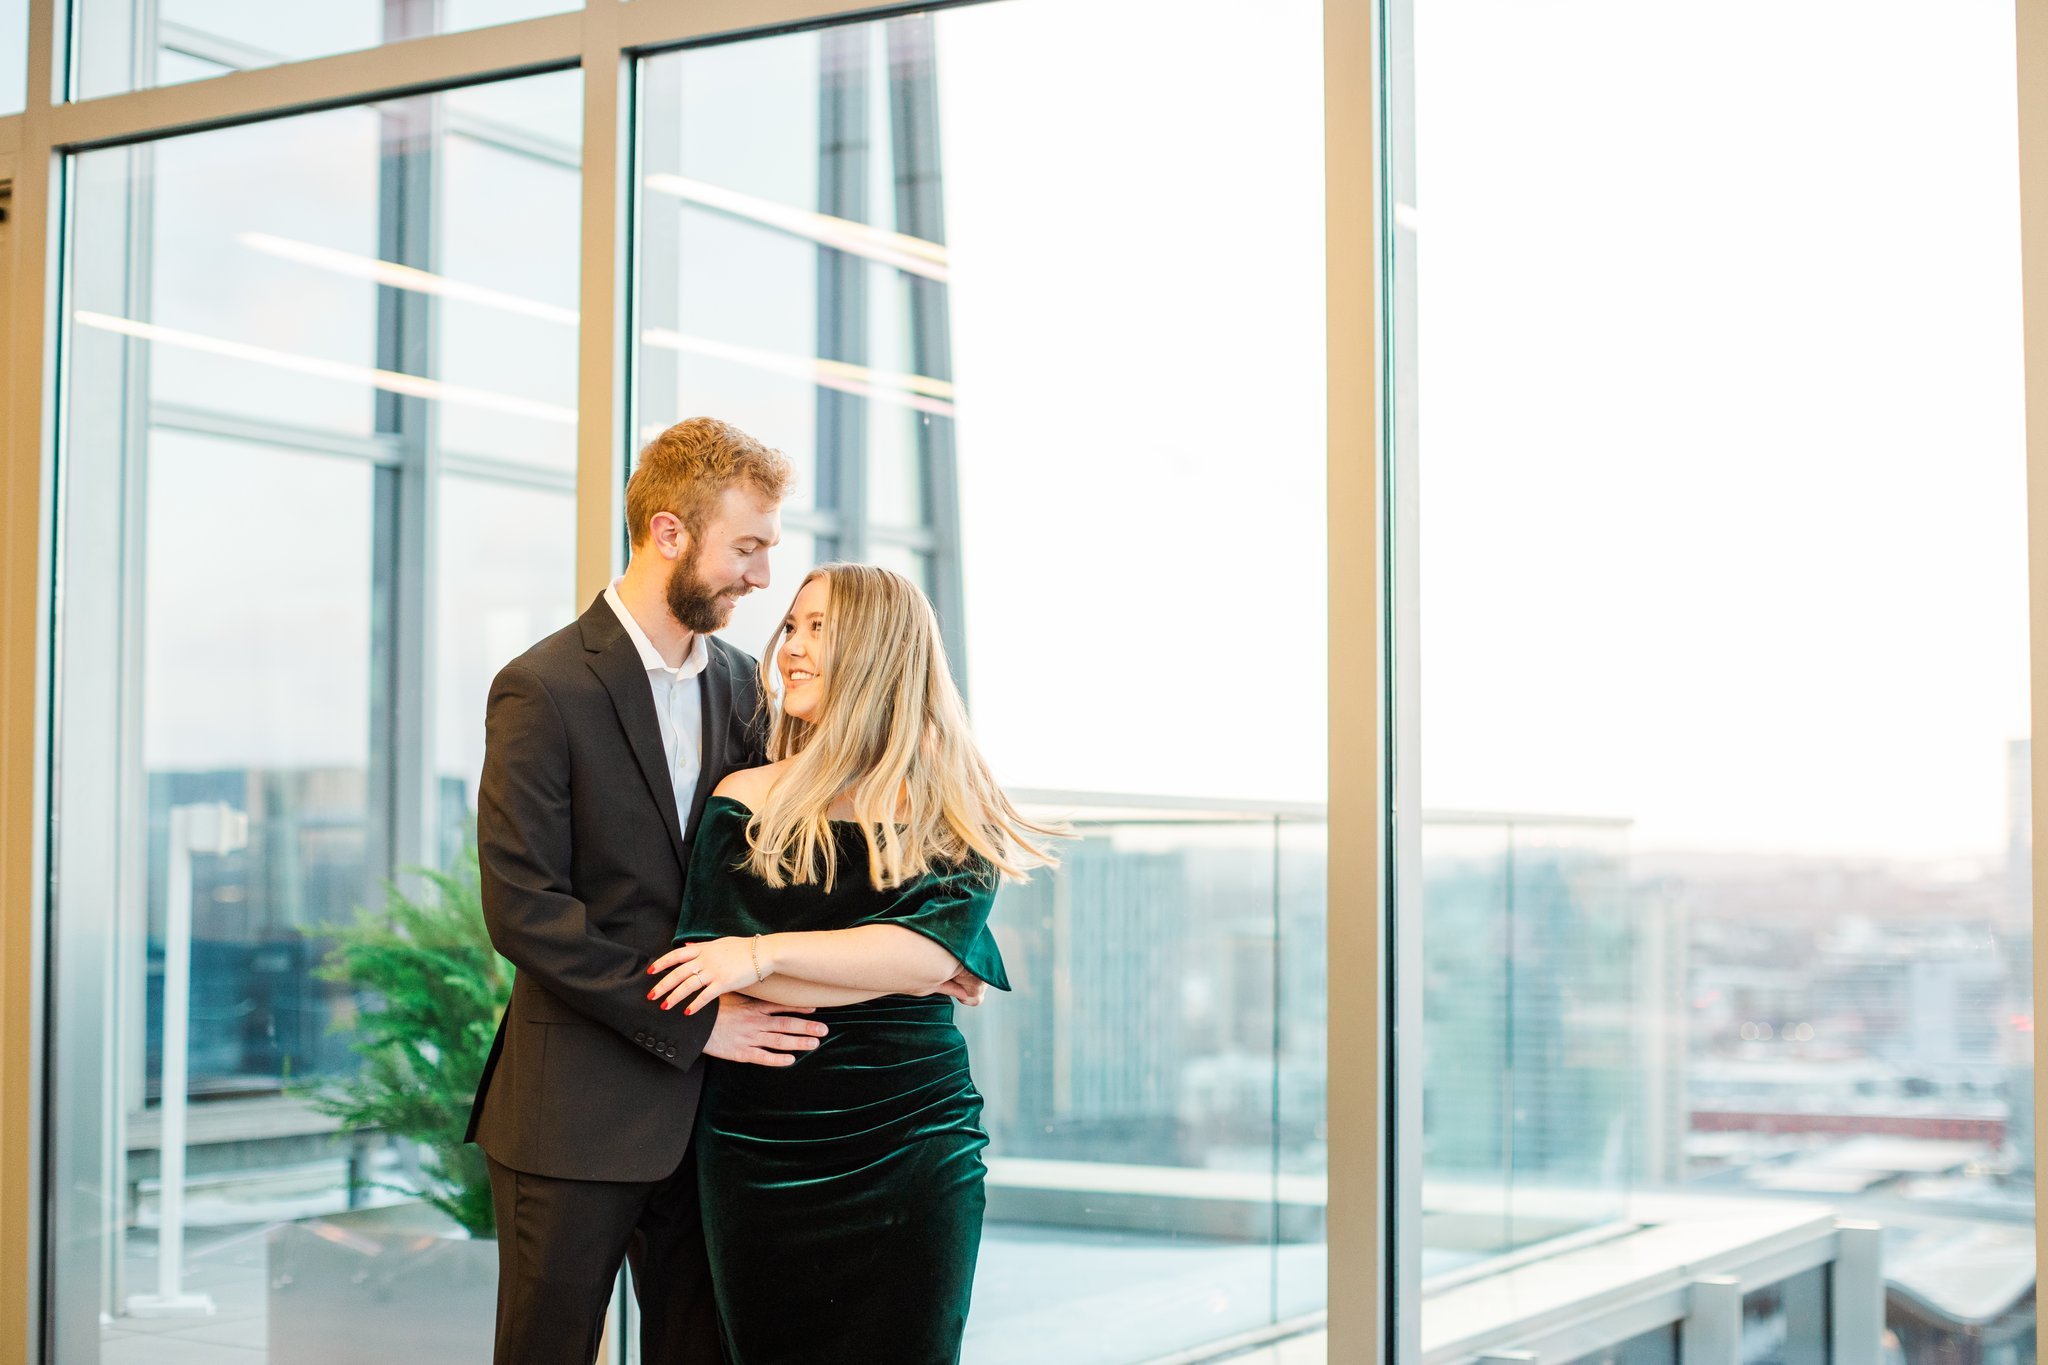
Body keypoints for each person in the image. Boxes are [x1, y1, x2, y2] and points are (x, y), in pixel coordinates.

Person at [464, 417, 833, 1365]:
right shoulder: (540, 688)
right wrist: (696, 1022)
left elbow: (792, 858)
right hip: (571, 1115)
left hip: (717, 1122)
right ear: (668, 532)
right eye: (746, 548)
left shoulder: (749, 686)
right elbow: (525, 910)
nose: (762, 579)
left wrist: (918, 952)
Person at [647, 562, 1066, 1364]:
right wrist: (883, 962)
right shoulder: (745, 795)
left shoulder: (952, 801)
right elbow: (711, 965)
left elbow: (923, 953)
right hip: (758, 1150)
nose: (793, 647)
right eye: (792, 627)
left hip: (914, 1143)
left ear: (879, 651)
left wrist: (761, 951)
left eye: (820, 628)